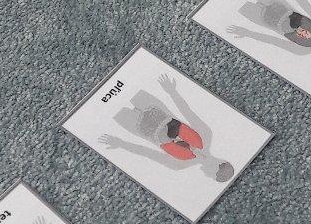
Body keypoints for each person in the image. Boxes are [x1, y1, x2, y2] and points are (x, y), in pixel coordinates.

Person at [100, 73, 234, 182]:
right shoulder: (206, 135)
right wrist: (172, 92)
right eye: (211, 175)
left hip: (137, 127)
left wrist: (121, 144)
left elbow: (148, 153)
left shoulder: (179, 165)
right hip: (154, 108)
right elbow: (187, 112)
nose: (207, 176)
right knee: (127, 82)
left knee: (105, 108)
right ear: (217, 167)